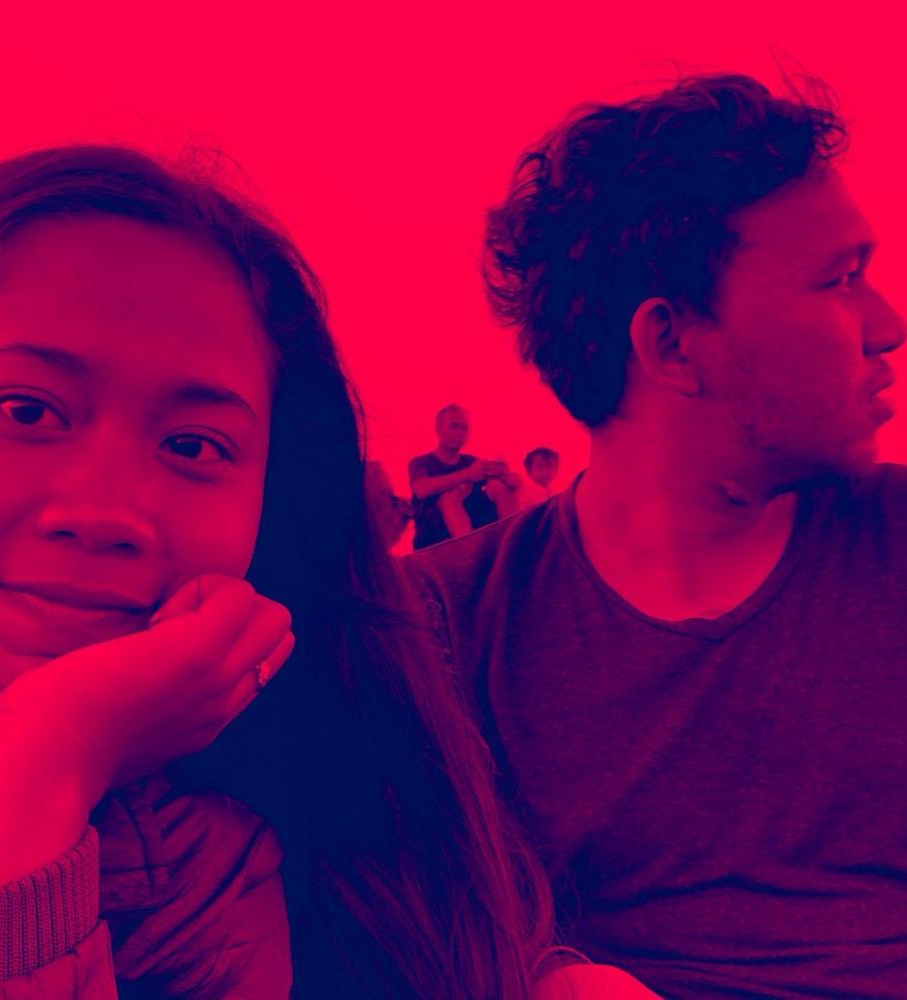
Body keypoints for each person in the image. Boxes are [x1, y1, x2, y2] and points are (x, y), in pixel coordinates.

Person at [0, 145, 572, 1000]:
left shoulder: (248, 847)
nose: (104, 512)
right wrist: (46, 763)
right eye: (27, 410)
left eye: (193, 446)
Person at [408, 73, 907, 998]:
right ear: (672, 345)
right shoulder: (446, 625)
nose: (889, 327)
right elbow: (412, 917)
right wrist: (552, 977)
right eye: (840, 281)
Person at [408, 404, 521, 549]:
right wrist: (467, 474)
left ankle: (514, 544)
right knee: (448, 498)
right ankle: (471, 553)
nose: (460, 432)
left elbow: (509, 483)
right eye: (454, 426)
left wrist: (507, 478)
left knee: (497, 486)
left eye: (464, 428)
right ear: (438, 428)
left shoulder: (472, 462)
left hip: (476, 528)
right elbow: (421, 489)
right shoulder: (421, 463)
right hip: (434, 536)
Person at [364, 459, 412, 549]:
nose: (386, 476)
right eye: (378, 473)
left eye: (382, 472)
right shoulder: (368, 507)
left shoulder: (395, 500)